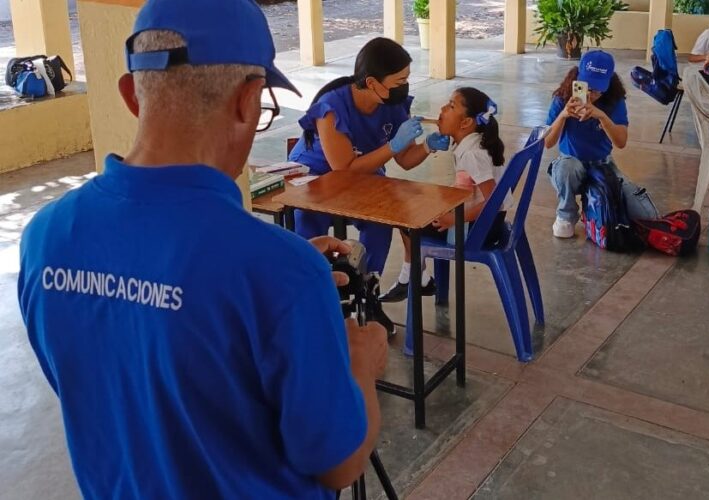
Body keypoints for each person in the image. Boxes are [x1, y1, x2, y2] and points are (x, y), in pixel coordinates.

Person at [17, 0, 388, 498]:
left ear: (131, 94)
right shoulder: (285, 272)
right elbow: (339, 465)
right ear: (247, 100)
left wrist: (279, 284)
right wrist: (360, 363)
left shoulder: (46, 237)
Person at [288, 37, 449, 334]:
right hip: (317, 174)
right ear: (372, 82)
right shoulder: (332, 106)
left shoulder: (393, 103)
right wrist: (393, 144)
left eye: (407, 79)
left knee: (382, 220)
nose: (405, 86)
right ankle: (311, 302)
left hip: (363, 174)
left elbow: (405, 160)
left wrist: (426, 146)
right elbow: (343, 169)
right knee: (309, 222)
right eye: (399, 80)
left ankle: (368, 295)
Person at [380, 87, 511, 302]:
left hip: (477, 229)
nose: (442, 108)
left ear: (466, 123)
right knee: (413, 207)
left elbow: (493, 202)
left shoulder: (471, 154)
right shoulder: (473, 143)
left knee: (406, 221)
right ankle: (416, 278)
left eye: (451, 106)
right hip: (482, 222)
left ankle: (410, 279)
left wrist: (452, 219)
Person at [544, 50, 657, 239]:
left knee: (645, 215)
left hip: (602, 164)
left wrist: (602, 116)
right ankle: (565, 215)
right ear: (577, 79)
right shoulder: (562, 98)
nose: (591, 93)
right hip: (570, 162)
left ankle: (594, 204)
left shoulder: (614, 101)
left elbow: (621, 142)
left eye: (597, 89)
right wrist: (563, 115)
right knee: (567, 168)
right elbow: (547, 142)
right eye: (586, 86)